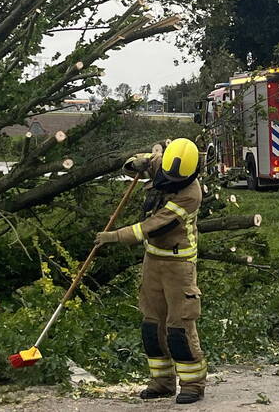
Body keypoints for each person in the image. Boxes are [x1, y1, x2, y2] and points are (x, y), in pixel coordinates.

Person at [95, 138, 206, 404]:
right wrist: (136, 163)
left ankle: (192, 384)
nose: (168, 178)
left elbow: (152, 227)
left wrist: (114, 237)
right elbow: (135, 164)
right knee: (151, 324)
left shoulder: (190, 195)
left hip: (179, 265)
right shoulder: (164, 164)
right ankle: (161, 381)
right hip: (152, 260)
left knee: (179, 327)